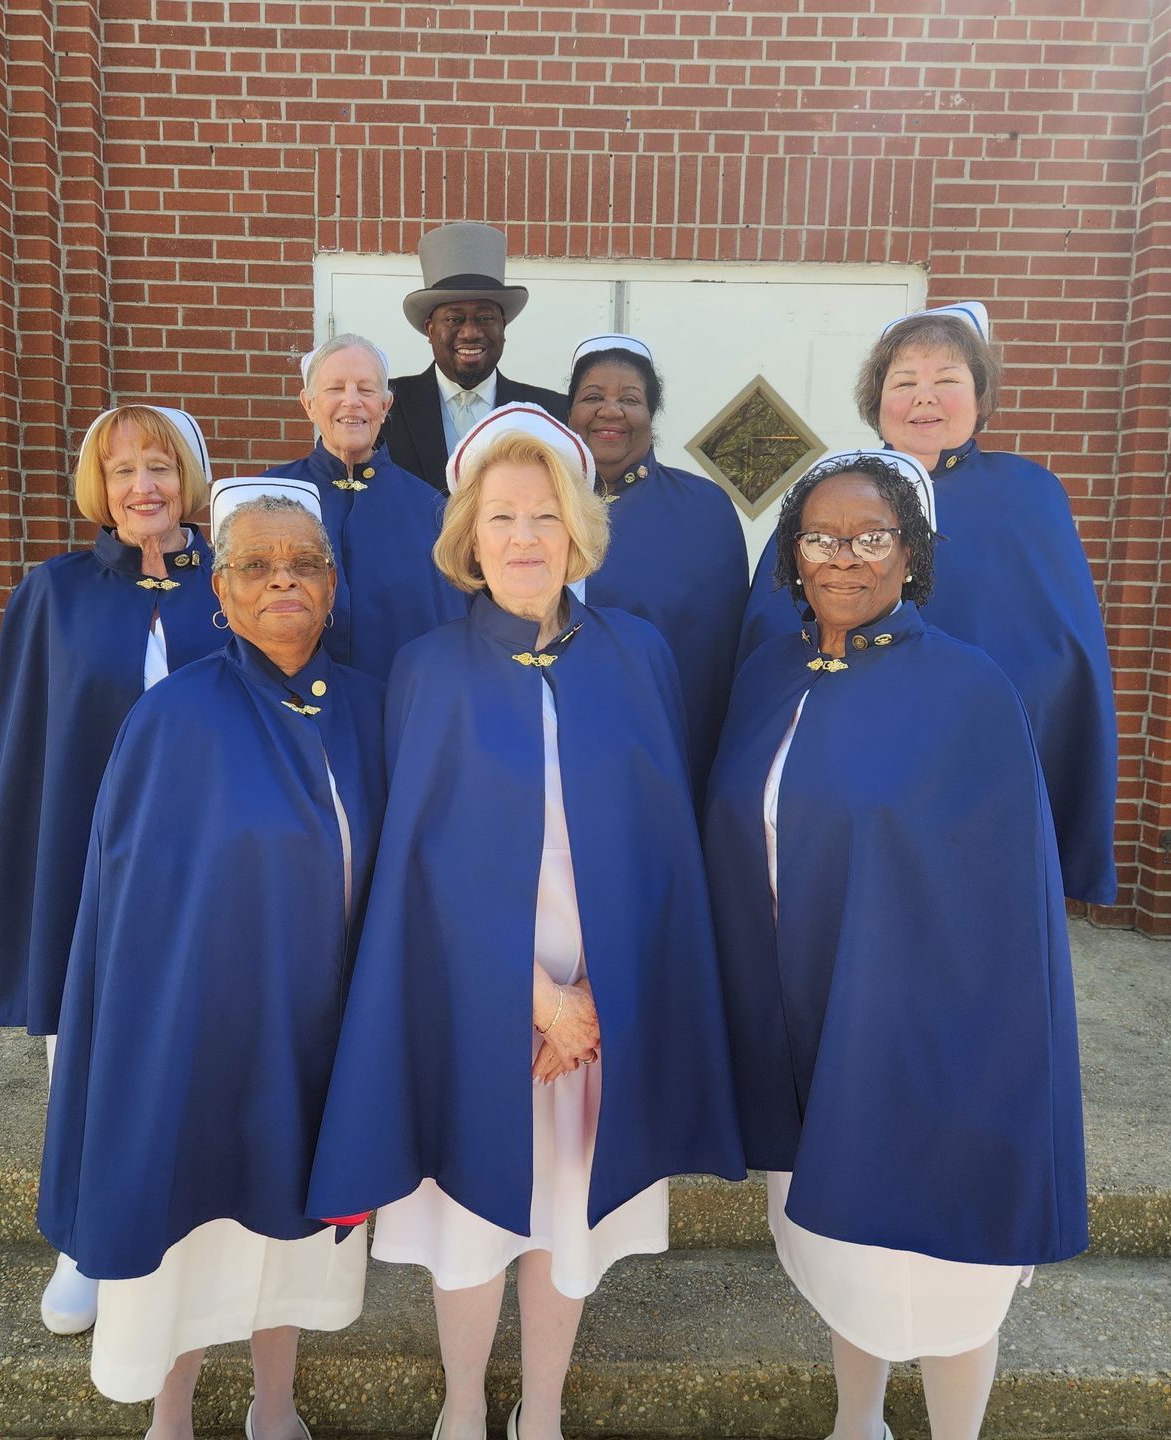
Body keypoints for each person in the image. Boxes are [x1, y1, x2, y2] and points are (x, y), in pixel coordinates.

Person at [308, 404, 745, 1440]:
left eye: (544, 515)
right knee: (468, 1221)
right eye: (501, 516)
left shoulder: (639, 656)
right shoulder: (424, 670)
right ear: (468, 534)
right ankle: (463, 1405)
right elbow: (418, 866)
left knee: (567, 1222)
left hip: (601, 1011)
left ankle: (540, 1409)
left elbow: (656, 852)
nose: (522, 537)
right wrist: (526, 994)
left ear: (577, 532)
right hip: (475, 1003)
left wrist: (598, 992)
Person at [706, 451, 1087, 1440]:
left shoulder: (969, 690)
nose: (843, 558)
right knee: (846, 1259)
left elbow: (1006, 909)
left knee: (942, 1270)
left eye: (871, 536)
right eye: (820, 537)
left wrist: (970, 1053)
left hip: (928, 1052)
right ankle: (857, 1421)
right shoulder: (768, 676)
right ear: (792, 558)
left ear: (913, 557)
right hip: (804, 1029)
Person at [38, 476, 384, 1440]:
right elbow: (134, 911)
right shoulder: (174, 717)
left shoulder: (369, 708)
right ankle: (173, 1413)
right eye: (258, 566)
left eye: (305, 564)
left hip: (320, 1034)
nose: (285, 581)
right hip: (195, 1040)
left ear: (333, 583)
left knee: (292, 1239)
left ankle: (275, 1405)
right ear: (221, 591)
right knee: (186, 1236)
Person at [0, 403, 225, 1336]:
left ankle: (196, 1210)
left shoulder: (235, 581)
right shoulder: (54, 593)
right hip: (87, 851)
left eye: (160, 466)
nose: (143, 487)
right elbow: (28, 745)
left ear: (190, 477)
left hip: (207, 857)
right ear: (99, 489)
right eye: (123, 472)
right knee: (80, 1044)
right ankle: (82, 1234)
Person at [738, 301, 1119, 903]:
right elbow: (775, 633)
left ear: (980, 396)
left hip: (974, 776)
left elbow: (1064, 655)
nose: (925, 398)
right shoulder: (828, 490)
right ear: (876, 399)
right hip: (842, 774)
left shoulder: (1030, 495)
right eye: (904, 382)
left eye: (947, 381)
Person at [564, 333, 747, 775]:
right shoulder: (535, 506)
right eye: (593, 397)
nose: (610, 411)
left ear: (651, 414)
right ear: (569, 412)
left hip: (665, 752)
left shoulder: (705, 510)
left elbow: (721, 660)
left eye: (630, 398)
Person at [265, 334, 464, 680]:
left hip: (396, 713)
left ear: (386, 406)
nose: (351, 401)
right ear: (308, 403)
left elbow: (453, 630)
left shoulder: (432, 509)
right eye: (335, 388)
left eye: (366, 389)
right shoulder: (267, 498)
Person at [381, 222, 570, 492]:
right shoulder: (384, 408)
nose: (470, 332)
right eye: (454, 319)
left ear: (503, 326)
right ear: (430, 330)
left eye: (485, 318)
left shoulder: (549, 413)